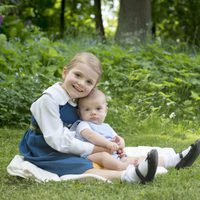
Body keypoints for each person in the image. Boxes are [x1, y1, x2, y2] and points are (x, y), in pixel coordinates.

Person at [19, 52, 159, 184]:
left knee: (107, 156)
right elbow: (58, 140)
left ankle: (172, 159)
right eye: (78, 75)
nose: (81, 83)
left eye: (89, 82)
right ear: (65, 72)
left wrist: (109, 142)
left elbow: (88, 128)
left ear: (93, 87)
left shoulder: (75, 98)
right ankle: (130, 175)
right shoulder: (49, 100)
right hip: (43, 147)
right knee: (82, 164)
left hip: (68, 143)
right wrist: (95, 149)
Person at [75, 88, 200, 171]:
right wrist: (108, 144)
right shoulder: (83, 124)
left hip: (116, 156)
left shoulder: (106, 127)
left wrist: (120, 142)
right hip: (91, 157)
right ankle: (124, 169)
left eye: (98, 109)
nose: (93, 113)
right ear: (79, 112)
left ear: (106, 110)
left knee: (140, 158)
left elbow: (118, 140)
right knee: (103, 155)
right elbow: (91, 136)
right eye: (87, 110)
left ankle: (175, 160)